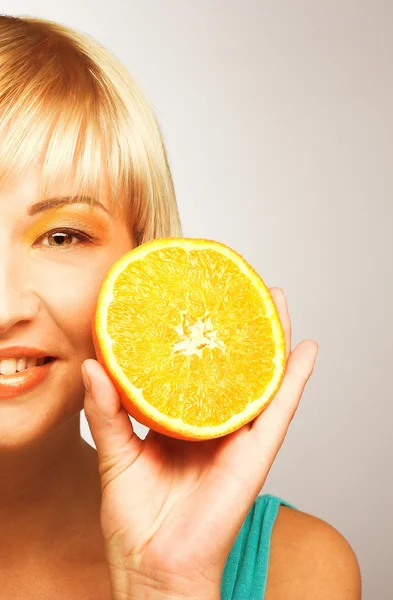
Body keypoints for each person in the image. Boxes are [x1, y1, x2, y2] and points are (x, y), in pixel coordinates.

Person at [0, 14, 361, 600]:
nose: (3, 305)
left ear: (141, 260)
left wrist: (166, 586)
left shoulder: (301, 572)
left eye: (62, 236)